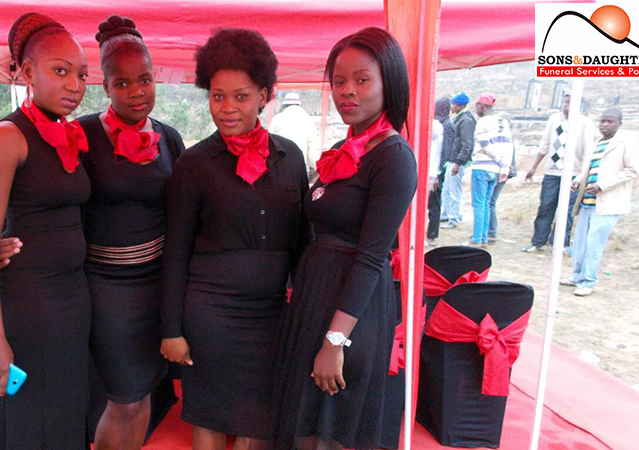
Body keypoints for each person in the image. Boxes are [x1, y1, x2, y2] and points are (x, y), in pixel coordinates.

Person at [0, 15, 186, 450]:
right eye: (122, 83)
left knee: (144, 396)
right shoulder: (80, 133)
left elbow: (180, 216)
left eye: (145, 80)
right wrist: (3, 237)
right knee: (123, 400)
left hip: (157, 287)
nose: (136, 92)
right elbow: (38, 191)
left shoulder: (170, 139)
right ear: (104, 86)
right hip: (105, 290)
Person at [160, 28, 311, 450]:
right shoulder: (193, 164)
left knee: (257, 424)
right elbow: (175, 253)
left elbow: (302, 244)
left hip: (271, 317)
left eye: (241, 96)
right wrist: (171, 329)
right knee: (207, 415)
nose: (227, 108)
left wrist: (308, 313)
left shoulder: (290, 157)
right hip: (210, 315)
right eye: (218, 96)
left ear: (264, 95)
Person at [271, 27, 417, 450]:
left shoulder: (393, 157)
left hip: (352, 311)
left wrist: (335, 342)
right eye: (338, 81)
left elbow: (371, 257)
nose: (347, 91)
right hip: (316, 297)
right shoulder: (346, 147)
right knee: (303, 422)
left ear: (389, 84)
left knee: (330, 431)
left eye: (362, 79)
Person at [0, 13, 91, 448]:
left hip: (73, 298)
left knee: (66, 408)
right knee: (32, 414)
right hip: (30, 301)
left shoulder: (68, 133)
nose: (74, 85)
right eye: (60, 71)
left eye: (82, 75)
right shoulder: (9, 135)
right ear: (27, 72)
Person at [563, 108, 639, 296]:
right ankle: (577, 276)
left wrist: (602, 185)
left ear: (619, 123)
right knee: (580, 243)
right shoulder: (597, 143)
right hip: (587, 201)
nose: (605, 124)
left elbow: (632, 170)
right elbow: (588, 169)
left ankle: (588, 281)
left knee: (594, 244)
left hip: (607, 203)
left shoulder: (627, 142)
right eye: (602, 121)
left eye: (610, 121)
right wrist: (578, 180)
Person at [522, 94, 595, 252]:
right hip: (552, 172)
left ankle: (561, 244)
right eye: (564, 102)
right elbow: (545, 144)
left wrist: (580, 177)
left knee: (566, 210)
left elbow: (588, 153)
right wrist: (534, 167)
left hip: (573, 174)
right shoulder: (554, 119)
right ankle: (538, 241)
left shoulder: (585, 123)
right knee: (546, 206)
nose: (565, 105)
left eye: (569, 102)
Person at [468, 93, 512, 248]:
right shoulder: (502, 122)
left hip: (482, 166)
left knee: (479, 204)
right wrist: (504, 166)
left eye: (477, 106)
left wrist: (499, 160)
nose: (477, 109)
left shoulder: (483, 122)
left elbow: (485, 144)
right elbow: (508, 145)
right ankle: (484, 238)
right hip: (495, 169)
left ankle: (477, 238)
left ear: (482, 106)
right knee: (486, 203)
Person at [440, 91, 475, 230]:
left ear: (461, 106)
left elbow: (467, 144)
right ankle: (446, 214)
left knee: (454, 191)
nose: (452, 107)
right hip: (452, 159)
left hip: (457, 161)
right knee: (447, 189)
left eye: (454, 104)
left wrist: (459, 163)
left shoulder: (466, 120)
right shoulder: (460, 118)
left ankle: (453, 218)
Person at [427, 97, 454, 246]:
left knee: (434, 203)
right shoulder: (440, 124)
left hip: (436, 171)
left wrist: (437, 173)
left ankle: (432, 235)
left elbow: (444, 152)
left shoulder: (445, 126)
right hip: (434, 169)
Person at [269, 92, 316, 169]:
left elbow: (268, 142)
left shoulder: (277, 119)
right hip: (299, 165)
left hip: (279, 165)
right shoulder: (308, 120)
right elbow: (312, 152)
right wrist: (316, 168)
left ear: (285, 106)